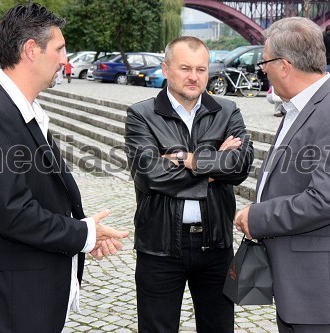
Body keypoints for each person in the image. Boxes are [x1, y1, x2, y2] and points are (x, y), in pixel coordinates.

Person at [0, 3, 129, 332]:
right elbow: (13, 212)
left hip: (23, 297)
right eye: (60, 49)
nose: (65, 60)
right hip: (11, 303)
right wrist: (84, 234)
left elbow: (41, 194)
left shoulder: (20, 109)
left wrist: (84, 233)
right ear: (31, 50)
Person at [234, 17, 330, 333]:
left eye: (264, 64)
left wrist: (258, 217)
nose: (263, 71)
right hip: (307, 290)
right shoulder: (305, 107)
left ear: (285, 65)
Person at [125, 36, 254, 333]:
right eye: (185, 68)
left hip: (216, 244)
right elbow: (149, 175)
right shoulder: (141, 115)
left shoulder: (227, 110)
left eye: (201, 69)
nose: (194, 77)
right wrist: (213, 165)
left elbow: (240, 165)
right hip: (159, 245)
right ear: (166, 69)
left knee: (219, 327)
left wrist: (187, 160)